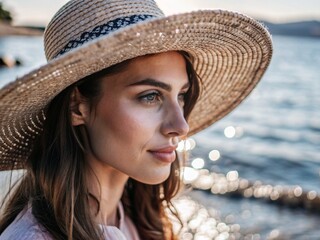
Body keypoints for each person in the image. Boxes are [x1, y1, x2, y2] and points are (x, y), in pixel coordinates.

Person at [0, 0, 272, 239]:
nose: (181, 126)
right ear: (77, 107)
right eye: (150, 96)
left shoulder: (136, 216)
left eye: (181, 95)